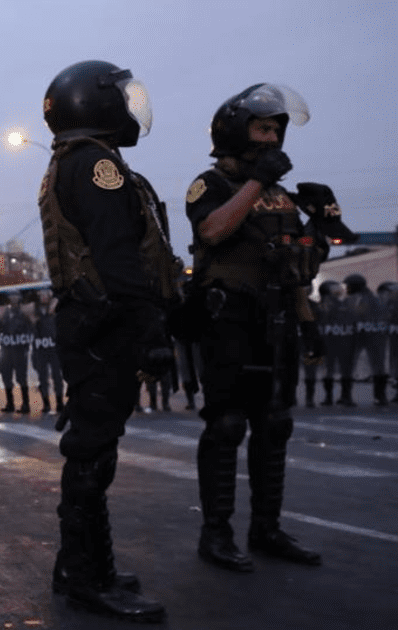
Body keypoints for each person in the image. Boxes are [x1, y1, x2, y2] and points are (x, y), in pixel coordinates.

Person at [39, 60, 177, 621]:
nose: (131, 106)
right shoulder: (97, 164)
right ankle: (87, 577)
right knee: (93, 455)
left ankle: (80, 562)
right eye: (123, 96)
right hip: (107, 322)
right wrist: (150, 330)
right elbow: (118, 257)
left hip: (92, 321)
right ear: (94, 104)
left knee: (93, 449)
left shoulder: (74, 162)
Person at [186, 82, 331, 574]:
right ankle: (217, 534)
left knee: (275, 426)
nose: (271, 138)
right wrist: (254, 184)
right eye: (262, 127)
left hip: (279, 320)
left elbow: (295, 264)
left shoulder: (281, 197)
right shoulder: (212, 183)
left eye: (276, 130)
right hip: (230, 321)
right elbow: (211, 230)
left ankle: (266, 528)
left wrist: (323, 225)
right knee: (226, 426)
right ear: (235, 131)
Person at [343, 274, 388, 406]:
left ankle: (380, 396)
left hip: (370, 335)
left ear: (355, 286)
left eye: (348, 286)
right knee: (351, 365)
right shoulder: (352, 299)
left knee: (377, 366)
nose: (346, 289)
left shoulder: (373, 300)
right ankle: (347, 397)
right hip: (358, 335)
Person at [317, 280, 354, 405]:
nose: (339, 290)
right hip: (331, 342)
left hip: (341, 340)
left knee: (341, 370)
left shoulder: (343, 304)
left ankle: (344, 396)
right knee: (331, 370)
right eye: (335, 288)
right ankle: (332, 397)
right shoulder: (323, 306)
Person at [0, 293, 33, 414]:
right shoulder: (4, 313)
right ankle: (10, 403)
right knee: (6, 375)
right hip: (6, 350)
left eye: (16, 297)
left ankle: (26, 404)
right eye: (11, 297)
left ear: (20, 299)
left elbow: (29, 329)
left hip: (19, 349)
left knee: (21, 377)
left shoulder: (23, 313)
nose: (13, 299)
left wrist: (26, 345)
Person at [31, 290, 64, 415]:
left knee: (57, 377)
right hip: (40, 349)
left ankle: (60, 403)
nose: (43, 297)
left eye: (46, 294)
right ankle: (46, 404)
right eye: (41, 294)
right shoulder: (34, 312)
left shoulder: (55, 310)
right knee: (43, 378)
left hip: (54, 348)